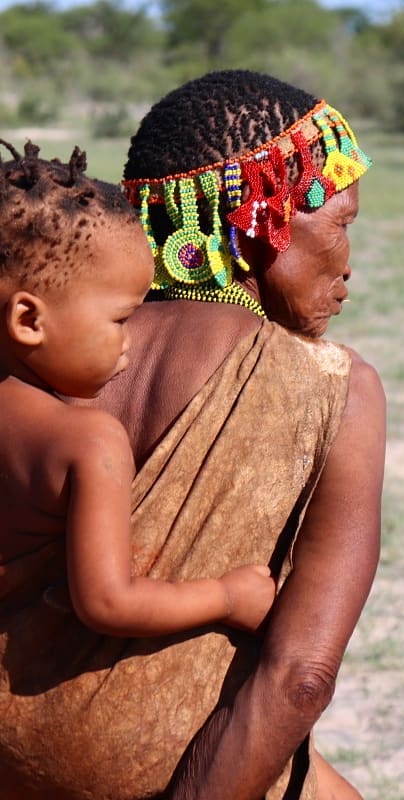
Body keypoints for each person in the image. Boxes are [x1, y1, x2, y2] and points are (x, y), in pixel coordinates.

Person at [0, 70, 386, 800]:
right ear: (258, 225)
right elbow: (299, 680)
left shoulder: (42, 345)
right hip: (152, 766)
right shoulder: (335, 388)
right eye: (340, 224)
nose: (348, 266)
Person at [0, 139, 276, 641]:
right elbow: (108, 603)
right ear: (28, 319)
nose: (130, 343)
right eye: (121, 318)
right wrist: (228, 596)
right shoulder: (87, 442)